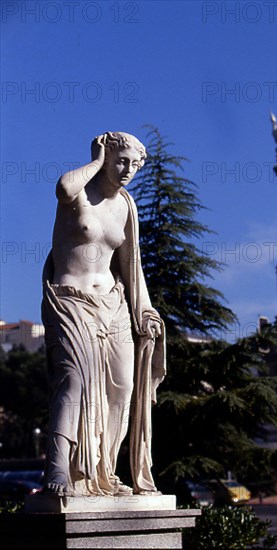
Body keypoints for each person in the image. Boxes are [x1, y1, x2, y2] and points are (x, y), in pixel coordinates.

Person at [42, 132, 165, 497]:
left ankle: (104, 472)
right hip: (71, 301)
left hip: (113, 305)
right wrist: (96, 162)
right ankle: (59, 469)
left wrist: (143, 308)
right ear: (107, 156)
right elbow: (63, 189)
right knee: (74, 383)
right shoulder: (78, 190)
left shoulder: (126, 205)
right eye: (121, 161)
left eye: (135, 164)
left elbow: (131, 265)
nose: (128, 170)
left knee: (122, 388)